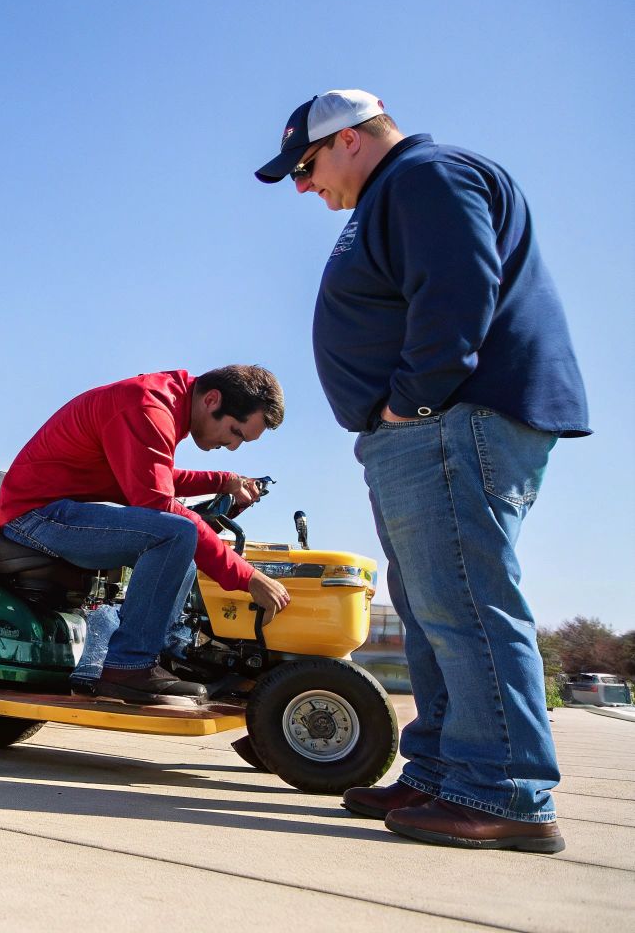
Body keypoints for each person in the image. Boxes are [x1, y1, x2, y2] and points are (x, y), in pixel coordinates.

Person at [257, 90, 589, 853]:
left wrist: (412, 401)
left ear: (349, 141)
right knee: (433, 608)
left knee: (464, 603)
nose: (305, 188)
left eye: (305, 168)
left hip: (448, 422)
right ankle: (443, 770)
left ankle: (503, 789)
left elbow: (459, 289)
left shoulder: (423, 175)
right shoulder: (398, 189)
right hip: (428, 430)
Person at [0, 366, 292, 705]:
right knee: (175, 532)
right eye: (235, 431)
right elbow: (156, 504)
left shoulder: (164, 402)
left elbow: (152, 475)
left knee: (182, 540)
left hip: (55, 510)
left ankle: (162, 655)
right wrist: (248, 577)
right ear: (212, 400)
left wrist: (223, 481)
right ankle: (128, 666)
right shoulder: (148, 407)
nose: (234, 446)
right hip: (34, 516)